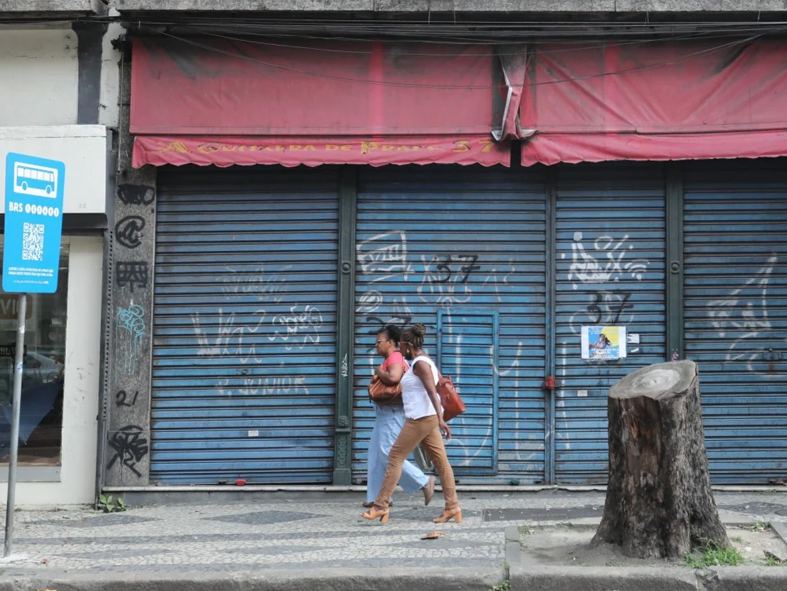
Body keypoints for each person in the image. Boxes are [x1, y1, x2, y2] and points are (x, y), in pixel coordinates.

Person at [361, 323, 460, 525]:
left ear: (406, 344)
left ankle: (380, 506)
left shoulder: (419, 364)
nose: (400, 349)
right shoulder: (423, 361)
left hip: (420, 419)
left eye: (402, 346)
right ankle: (452, 507)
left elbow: (433, 391)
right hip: (427, 417)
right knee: (442, 463)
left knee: (395, 456)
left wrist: (441, 419)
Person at [364, 324, 436, 508]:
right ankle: (376, 497)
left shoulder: (394, 356)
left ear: (391, 342)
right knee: (375, 455)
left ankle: (423, 481)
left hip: (392, 412)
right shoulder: (393, 357)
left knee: (389, 455)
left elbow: (394, 377)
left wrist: (379, 371)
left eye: (379, 341)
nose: (376, 345)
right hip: (384, 413)